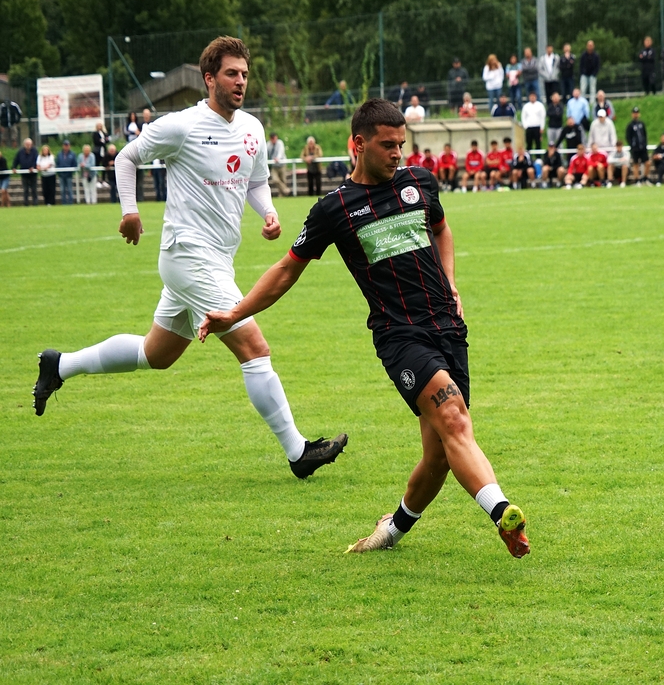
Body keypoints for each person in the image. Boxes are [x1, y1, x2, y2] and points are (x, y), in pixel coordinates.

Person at [199, 98, 530, 559]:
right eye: (387, 145)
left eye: (401, 144)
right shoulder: (334, 209)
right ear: (359, 144)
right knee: (454, 418)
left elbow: (441, 229)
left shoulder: (419, 182)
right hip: (400, 336)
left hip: (449, 327)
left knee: (439, 454)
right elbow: (286, 270)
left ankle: (390, 531)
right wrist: (234, 313)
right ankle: (502, 512)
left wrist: (451, 281)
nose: (397, 153)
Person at [31, 37, 348, 476]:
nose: (241, 81)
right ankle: (299, 453)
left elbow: (255, 181)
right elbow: (126, 159)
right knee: (254, 348)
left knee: (156, 354)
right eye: (232, 74)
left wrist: (269, 212)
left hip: (217, 259)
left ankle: (60, 365)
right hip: (187, 255)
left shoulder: (252, 129)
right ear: (209, 78)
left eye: (245, 74)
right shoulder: (181, 126)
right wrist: (129, 212)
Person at [625, 106, 649, 185]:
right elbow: (628, 136)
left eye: (637, 113)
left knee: (647, 162)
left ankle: (645, 178)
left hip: (642, 147)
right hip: (635, 148)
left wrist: (645, 144)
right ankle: (637, 179)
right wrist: (632, 145)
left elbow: (644, 134)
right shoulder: (630, 125)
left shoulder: (641, 124)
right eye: (634, 113)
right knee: (636, 164)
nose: (636, 114)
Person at [13, 138, 39, 206]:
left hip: (33, 174)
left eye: (29, 144)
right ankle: (26, 203)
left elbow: (36, 160)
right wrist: (14, 167)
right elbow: (16, 160)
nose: (28, 146)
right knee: (25, 189)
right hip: (24, 173)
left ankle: (35, 203)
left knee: (34, 189)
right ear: (24, 144)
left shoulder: (34, 151)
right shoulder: (20, 151)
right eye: (27, 144)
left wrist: (33, 167)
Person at [267, 132, 291, 197]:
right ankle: (286, 190)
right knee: (275, 180)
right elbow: (266, 153)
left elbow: (281, 151)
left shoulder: (280, 143)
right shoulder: (268, 144)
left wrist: (278, 158)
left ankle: (281, 195)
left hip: (282, 164)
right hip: (274, 166)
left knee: (283, 180)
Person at [56, 140, 77, 205]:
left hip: (69, 175)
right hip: (61, 175)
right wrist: (59, 172)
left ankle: (70, 202)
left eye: (67, 145)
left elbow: (74, 164)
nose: (66, 146)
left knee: (70, 189)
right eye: (65, 145)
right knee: (62, 190)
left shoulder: (72, 154)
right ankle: (64, 202)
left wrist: (71, 171)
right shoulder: (59, 154)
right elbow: (57, 163)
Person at [579, 40, 600, 107]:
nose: (590, 47)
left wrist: (594, 74)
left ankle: (592, 103)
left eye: (591, 45)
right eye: (589, 45)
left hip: (592, 75)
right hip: (584, 75)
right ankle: (582, 102)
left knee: (592, 89)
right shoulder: (583, 55)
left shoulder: (596, 56)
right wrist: (583, 72)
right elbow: (581, 65)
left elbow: (598, 66)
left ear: (593, 46)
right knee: (583, 89)